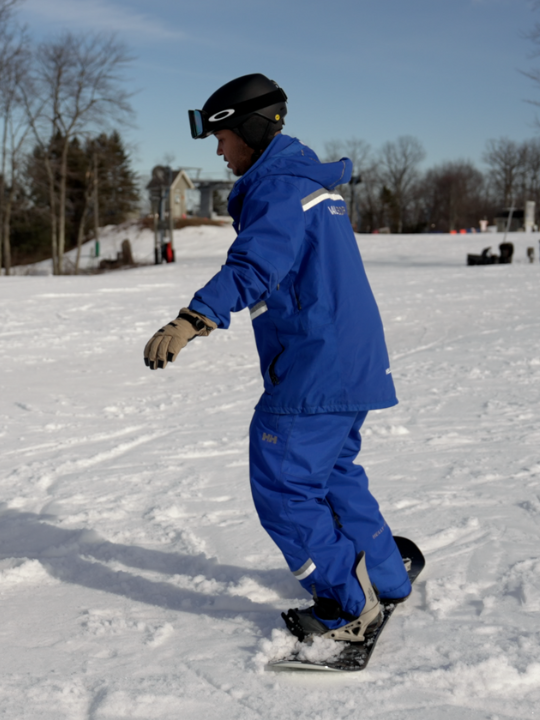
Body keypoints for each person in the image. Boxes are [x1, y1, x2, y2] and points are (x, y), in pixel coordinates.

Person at [143, 75, 411, 643]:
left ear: (247, 130)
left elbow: (255, 264)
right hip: (351, 359)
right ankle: (386, 576)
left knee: (285, 486)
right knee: (333, 475)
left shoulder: (278, 188)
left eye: (222, 139)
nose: (219, 152)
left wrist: (194, 318)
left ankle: (346, 603)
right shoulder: (309, 182)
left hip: (316, 365)